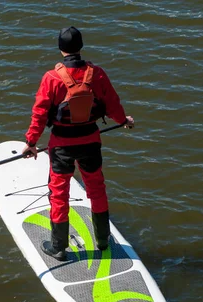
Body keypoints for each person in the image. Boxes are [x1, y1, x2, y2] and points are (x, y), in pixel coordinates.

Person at [22, 26, 134, 261]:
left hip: (61, 145)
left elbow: (40, 114)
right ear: (81, 47)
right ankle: (103, 240)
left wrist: (31, 143)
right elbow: (113, 104)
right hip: (91, 141)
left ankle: (58, 247)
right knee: (96, 188)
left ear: (60, 49)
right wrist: (124, 121)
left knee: (59, 193)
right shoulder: (98, 74)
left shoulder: (51, 78)